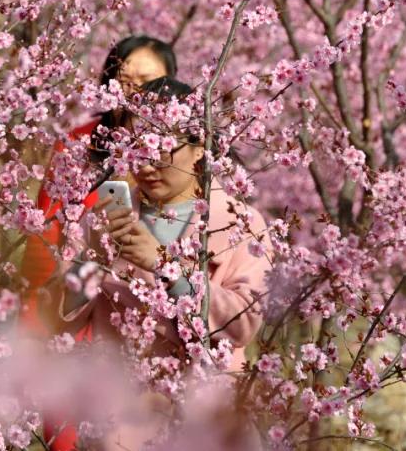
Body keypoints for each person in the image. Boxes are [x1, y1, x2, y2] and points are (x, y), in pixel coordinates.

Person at [54, 77, 272, 450]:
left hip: (209, 416)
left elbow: (243, 324)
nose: (146, 165)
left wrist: (164, 265)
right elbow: (63, 317)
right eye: (135, 148)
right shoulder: (105, 219)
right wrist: (94, 257)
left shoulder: (242, 223)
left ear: (199, 147)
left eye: (161, 148)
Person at [19, 36, 177, 450]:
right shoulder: (78, 144)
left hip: (155, 326)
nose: (134, 92)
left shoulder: (183, 155)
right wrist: (39, 315)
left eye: (147, 81)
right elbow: (46, 233)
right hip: (78, 308)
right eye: (124, 80)